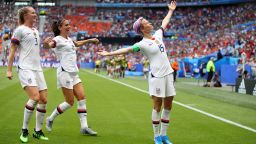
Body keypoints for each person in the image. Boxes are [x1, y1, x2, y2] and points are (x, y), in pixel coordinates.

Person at [97, 1, 177, 144]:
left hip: (168, 74)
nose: (149, 23)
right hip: (157, 76)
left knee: (169, 105)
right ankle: (156, 136)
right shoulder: (141, 44)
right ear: (142, 28)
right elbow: (126, 50)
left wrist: (170, 10)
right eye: (146, 22)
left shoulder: (158, 35)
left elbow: (164, 23)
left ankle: (164, 135)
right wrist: (109, 53)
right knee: (157, 106)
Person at [43, 18, 99, 135]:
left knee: (82, 98)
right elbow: (50, 45)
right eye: (66, 25)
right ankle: (50, 119)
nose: (69, 27)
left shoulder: (69, 39)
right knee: (69, 102)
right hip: (64, 73)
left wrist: (90, 40)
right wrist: (46, 44)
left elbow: (77, 44)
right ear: (60, 28)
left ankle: (84, 127)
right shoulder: (57, 39)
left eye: (69, 25)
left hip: (73, 72)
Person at [6, 6, 49, 143]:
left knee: (44, 100)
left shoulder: (36, 31)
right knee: (35, 97)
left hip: (38, 69)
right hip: (25, 68)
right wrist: (9, 69)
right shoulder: (19, 30)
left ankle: (37, 131)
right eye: (33, 13)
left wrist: (47, 44)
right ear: (25, 15)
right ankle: (24, 129)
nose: (35, 15)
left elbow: (37, 49)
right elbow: (12, 50)